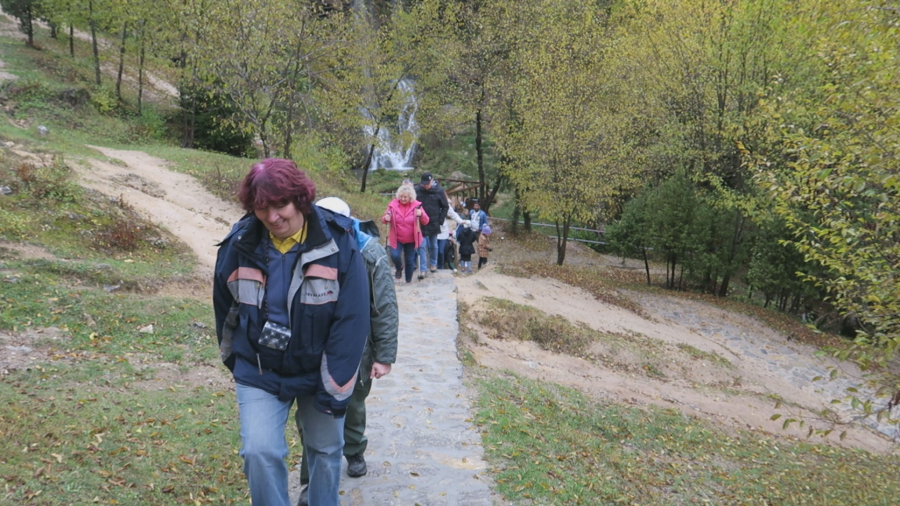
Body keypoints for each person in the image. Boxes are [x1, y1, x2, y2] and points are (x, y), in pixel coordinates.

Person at [213, 159, 370, 506]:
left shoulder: (339, 244)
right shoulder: (237, 245)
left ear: (300, 199)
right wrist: (237, 360)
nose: (272, 217)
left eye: (280, 205)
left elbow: (352, 322)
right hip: (259, 371)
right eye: (261, 208)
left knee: (326, 452)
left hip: (320, 373)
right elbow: (225, 311)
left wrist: (335, 389)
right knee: (258, 451)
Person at [295, 197, 399, 506]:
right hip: (312, 347)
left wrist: (384, 356)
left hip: (356, 347)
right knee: (311, 417)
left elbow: (384, 308)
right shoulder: (304, 247)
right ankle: (310, 483)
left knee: (352, 403)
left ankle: (353, 449)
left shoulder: (369, 253)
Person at [382, 184, 429, 283]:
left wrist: (421, 214)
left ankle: (408, 280)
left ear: (410, 197)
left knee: (410, 260)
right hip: (396, 237)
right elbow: (385, 218)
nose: (402, 199)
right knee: (394, 255)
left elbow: (426, 221)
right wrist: (386, 218)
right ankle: (399, 267)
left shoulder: (417, 206)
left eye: (405, 197)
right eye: (401, 196)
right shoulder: (393, 205)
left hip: (411, 238)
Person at [413, 172, 449, 275]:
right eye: (423, 184)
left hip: (434, 222)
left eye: (427, 184)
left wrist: (440, 220)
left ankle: (433, 263)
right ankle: (423, 269)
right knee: (422, 245)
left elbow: (445, 206)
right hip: (421, 222)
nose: (425, 186)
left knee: (433, 245)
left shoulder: (439, 191)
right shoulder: (417, 191)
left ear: (432, 181)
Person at [437, 196, 465, 270]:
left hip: (443, 231)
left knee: (441, 251)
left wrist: (461, 221)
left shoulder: (446, 205)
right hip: (432, 230)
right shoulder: (430, 202)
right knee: (433, 250)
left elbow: (453, 214)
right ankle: (434, 267)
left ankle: (440, 267)